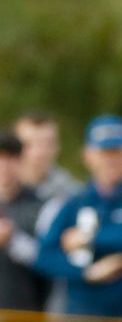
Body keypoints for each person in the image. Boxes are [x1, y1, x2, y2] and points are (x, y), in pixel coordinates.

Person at [34, 115, 122, 318]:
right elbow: (44, 255)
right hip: (83, 311)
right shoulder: (73, 203)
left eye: (117, 152)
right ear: (88, 155)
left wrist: (88, 238)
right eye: (104, 152)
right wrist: (88, 273)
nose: (111, 159)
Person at [14, 111, 82, 313]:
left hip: (55, 300)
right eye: (30, 144)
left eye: (47, 143)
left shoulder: (73, 194)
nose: (39, 152)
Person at [0, 130, 49, 311]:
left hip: (25, 308)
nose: (4, 167)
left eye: (10, 159)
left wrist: (14, 240)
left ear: (21, 162)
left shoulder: (40, 206)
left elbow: (49, 259)